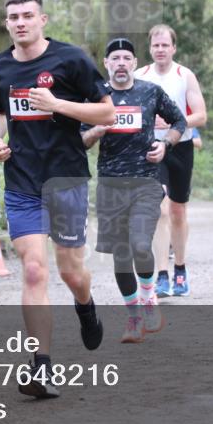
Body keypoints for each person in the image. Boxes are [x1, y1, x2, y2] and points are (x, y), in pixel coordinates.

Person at [0, 0, 116, 399]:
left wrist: (58, 104)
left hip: (66, 179)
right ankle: (41, 367)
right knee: (33, 270)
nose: (20, 22)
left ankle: (86, 306)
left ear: (43, 19)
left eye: (27, 15)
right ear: (6, 23)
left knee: (70, 272)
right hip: (22, 181)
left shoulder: (70, 59)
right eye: (13, 17)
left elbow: (107, 112)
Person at [82, 38, 186, 343]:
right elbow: (81, 140)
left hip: (146, 182)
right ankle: (134, 318)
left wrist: (165, 144)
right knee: (121, 255)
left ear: (134, 62)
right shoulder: (95, 96)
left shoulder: (149, 91)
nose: (121, 63)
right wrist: (97, 129)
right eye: (115, 58)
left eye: (127, 58)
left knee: (141, 244)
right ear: (107, 64)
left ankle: (149, 297)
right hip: (110, 184)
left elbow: (179, 120)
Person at [136, 24, 207, 298]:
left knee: (178, 212)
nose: (160, 49)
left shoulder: (184, 76)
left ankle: (180, 269)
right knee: (160, 209)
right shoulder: (139, 76)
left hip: (181, 146)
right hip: (151, 147)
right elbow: (125, 110)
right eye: (156, 45)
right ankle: (161, 275)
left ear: (173, 48)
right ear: (150, 48)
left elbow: (200, 116)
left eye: (165, 45)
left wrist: (174, 123)